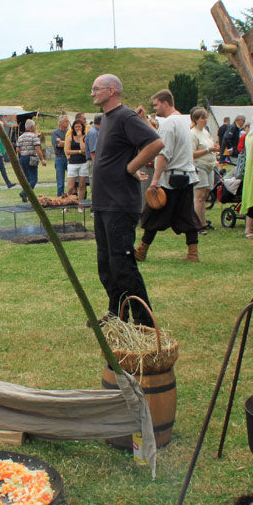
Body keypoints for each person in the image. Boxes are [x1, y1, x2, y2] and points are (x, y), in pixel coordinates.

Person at [90, 73, 164, 326]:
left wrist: (131, 167)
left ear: (112, 91)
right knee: (107, 265)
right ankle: (117, 315)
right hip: (103, 203)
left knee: (122, 265)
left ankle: (144, 324)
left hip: (119, 204)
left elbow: (156, 143)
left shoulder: (124, 116)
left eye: (96, 88)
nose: (92, 93)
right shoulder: (108, 119)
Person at [136, 89, 200, 262]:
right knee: (186, 215)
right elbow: (159, 137)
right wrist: (143, 120)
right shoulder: (181, 120)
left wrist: (155, 180)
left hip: (171, 180)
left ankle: (141, 250)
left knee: (153, 213)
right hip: (185, 177)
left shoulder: (169, 123)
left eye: (156, 105)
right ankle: (192, 253)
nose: (154, 109)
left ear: (165, 103)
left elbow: (163, 153)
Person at [190, 107, 219, 233]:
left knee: (206, 194)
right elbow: (191, 153)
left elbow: (210, 145)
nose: (205, 120)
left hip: (209, 166)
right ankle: (198, 224)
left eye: (206, 117)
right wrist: (208, 150)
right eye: (203, 118)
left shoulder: (205, 132)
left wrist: (214, 149)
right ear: (196, 120)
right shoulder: (192, 134)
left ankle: (203, 221)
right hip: (199, 165)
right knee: (199, 196)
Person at [16, 119, 46, 196]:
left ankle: (27, 196)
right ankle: (24, 193)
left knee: (27, 179)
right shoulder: (34, 136)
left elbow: (17, 149)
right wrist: (42, 159)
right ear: (32, 127)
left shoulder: (20, 137)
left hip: (22, 158)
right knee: (34, 180)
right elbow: (37, 149)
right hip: (31, 158)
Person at [65, 118, 89, 200]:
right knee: (71, 187)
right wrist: (79, 151)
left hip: (83, 163)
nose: (77, 129)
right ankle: (66, 201)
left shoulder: (86, 137)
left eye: (79, 127)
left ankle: (81, 204)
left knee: (82, 185)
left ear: (82, 127)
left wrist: (81, 138)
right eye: (76, 127)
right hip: (72, 163)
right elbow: (68, 151)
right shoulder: (70, 137)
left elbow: (85, 150)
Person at [84, 113, 101, 199]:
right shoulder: (93, 133)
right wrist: (97, 165)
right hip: (93, 161)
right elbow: (93, 152)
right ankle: (94, 208)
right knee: (95, 184)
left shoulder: (97, 131)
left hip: (96, 161)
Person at [52, 115, 69, 196]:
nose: (67, 123)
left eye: (68, 121)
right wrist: (68, 142)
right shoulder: (55, 133)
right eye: (66, 121)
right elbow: (59, 144)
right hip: (60, 158)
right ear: (60, 122)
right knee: (60, 182)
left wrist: (63, 142)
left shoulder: (69, 132)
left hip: (69, 158)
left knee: (73, 180)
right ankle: (60, 198)